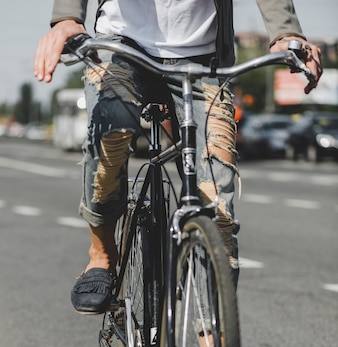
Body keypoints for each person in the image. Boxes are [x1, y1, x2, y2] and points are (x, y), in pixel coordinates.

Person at [34, 1, 322, 315]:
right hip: (121, 44)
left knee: (218, 210)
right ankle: (101, 254)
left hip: (204, 55)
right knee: (109, 136)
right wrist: (66, 18)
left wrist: (285, 32)